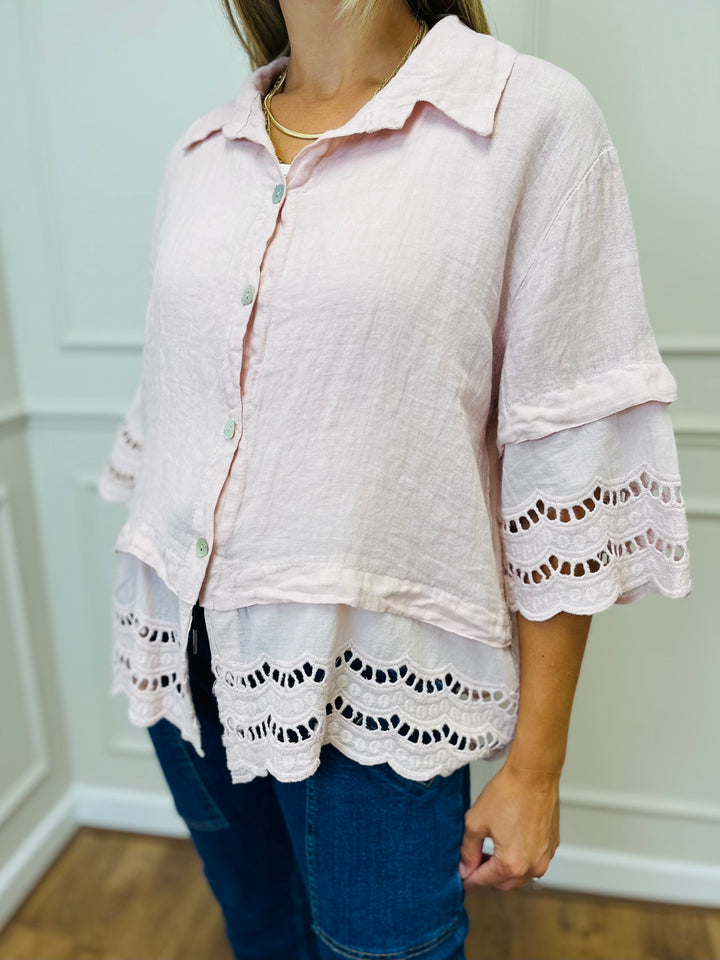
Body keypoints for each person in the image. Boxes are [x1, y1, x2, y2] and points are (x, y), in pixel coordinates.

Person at [97, 1, 692, 958]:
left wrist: (535, 766)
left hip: (377, 688)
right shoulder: (204, 150)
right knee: (262, 933)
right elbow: (179, 403)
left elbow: (564, 446)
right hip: (187, 661)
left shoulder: (525, 119)